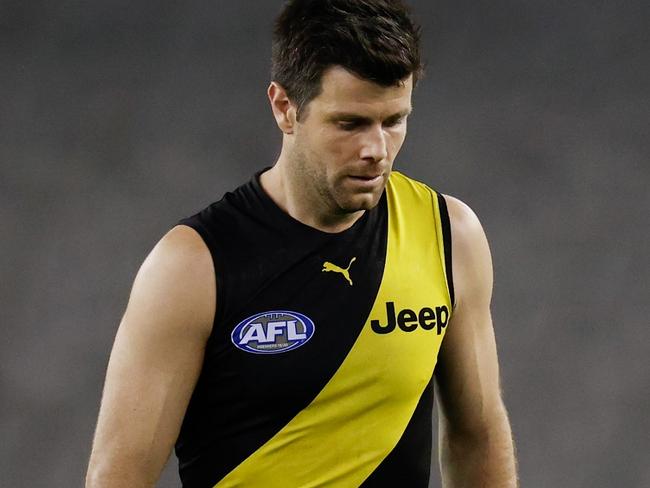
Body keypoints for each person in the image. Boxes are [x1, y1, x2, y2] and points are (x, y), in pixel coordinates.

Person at [86, 0, 517, 486]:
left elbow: (476, 434)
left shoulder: (448, 235)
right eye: (350, 123)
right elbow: (118, 478)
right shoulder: (191, 267)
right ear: (285, 107)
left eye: (393, 121)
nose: (375, 149)